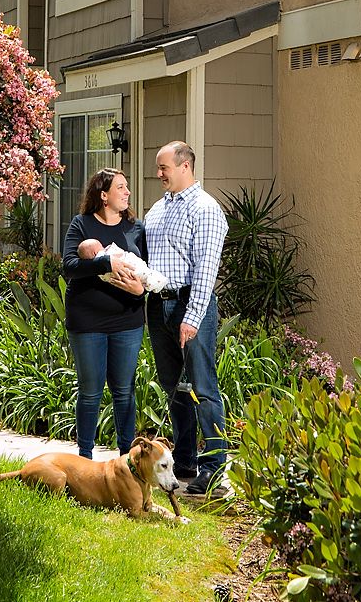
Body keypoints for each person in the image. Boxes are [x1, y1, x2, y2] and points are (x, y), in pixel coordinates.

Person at [143, 140, 233, 499]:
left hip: (189, 304)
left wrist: (192, 317)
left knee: (203, 388)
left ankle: (213, 468)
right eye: (158, 167)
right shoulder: (157, 209)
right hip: (157, 306)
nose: (159, 173)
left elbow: (206, 271)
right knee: (173, 388)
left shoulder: (205, 209)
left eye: (164, 167)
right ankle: (183, 460)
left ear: (185, 166)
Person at [61, 168, 146, 459]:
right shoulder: (81, 225)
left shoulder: (136, 228)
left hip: (128, 319)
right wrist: (106, 262)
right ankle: (84, 459)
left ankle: (127, 458)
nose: (127, 193)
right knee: (90, 391)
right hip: (88, 321)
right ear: (103, 195)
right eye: (120, 188)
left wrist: (140, 291)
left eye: (127, 187)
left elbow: (147, 272)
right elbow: (69, 267)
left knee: (124, 390)